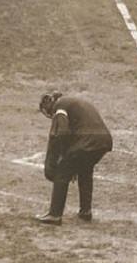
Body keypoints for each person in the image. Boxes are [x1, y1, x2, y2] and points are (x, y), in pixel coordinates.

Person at [36, 92, 113, 224]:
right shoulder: (74, 102)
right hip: (104, 141)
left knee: (62, 173)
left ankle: (55, 215)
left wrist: (64, 157)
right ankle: (85, 212)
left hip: (87, 141)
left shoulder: (60, 106)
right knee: (85, 171)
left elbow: (62, 132)